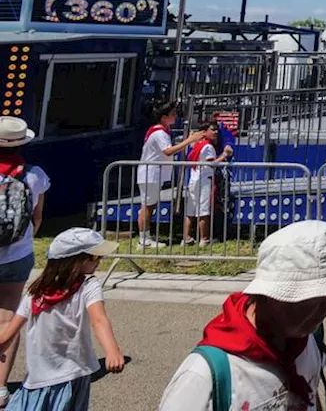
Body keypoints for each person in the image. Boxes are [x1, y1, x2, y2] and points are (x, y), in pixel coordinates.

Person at [158, 220, 326, 410]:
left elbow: (312, 395)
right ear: (273, 296)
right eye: (317, 296)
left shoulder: (308, 341)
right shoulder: (203, 377)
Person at [0, 228, 123, 411]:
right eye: (95, 257)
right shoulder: (36, 293)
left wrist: (112, 350)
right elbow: (13, 327)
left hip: (71, 374)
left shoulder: (87, 286)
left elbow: (99, 320)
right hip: (39, 377)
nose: (99, 262)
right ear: (76, 261)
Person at [0, 117, 48, 407]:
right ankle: (1, 386)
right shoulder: (34, 175)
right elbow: (37, 217)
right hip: (17, 254)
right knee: (7, 317)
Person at [138, 102, 200, 249]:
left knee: (149, 206)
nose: (176, 117)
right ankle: (143, 239)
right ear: (164, 118)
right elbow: (168, 151)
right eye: (173, 115)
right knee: (147, 207)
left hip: (154, 173)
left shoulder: (161, 132)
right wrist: (189, 141)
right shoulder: (159, 133)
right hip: (151, 173)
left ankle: (146, 236)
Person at [183, 122, 233, 247]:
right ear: (204, 132)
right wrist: (224, 155)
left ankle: (186, 237)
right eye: (213, 130)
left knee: (190, 211)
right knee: (203, 210)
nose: (216, 132)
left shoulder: (197, 145)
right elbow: (212, 163)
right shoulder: (208, 147)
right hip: (204, 180)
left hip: (194, 179)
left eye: (216, 130)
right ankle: (204, 239)